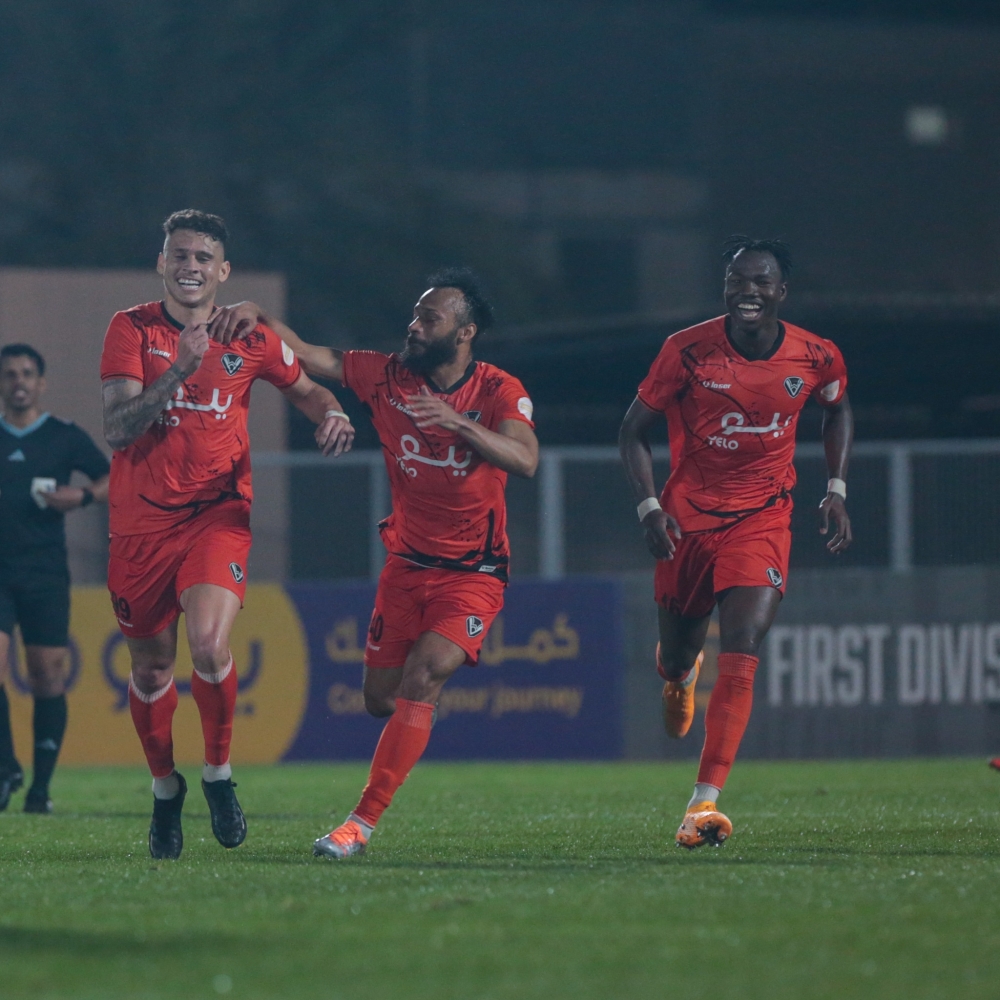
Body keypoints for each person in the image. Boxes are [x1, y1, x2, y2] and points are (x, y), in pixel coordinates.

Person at [209, 267, 538, 858]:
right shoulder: (384, 373)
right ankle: (416, 723)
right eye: (415, 314)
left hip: (474, 572)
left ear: (464, 332)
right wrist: (257, 312)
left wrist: (461, 425)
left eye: (428, 318)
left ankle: (357, 825)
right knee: (382, 700)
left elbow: (526, 458)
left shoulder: (497, 389)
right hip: (406, 565)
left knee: (424, 677)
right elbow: (307, 355)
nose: (413, 326)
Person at [100, 209, 355, 860]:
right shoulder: (130, 329)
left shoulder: (249, 333)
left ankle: (217, 774)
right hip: (140, 527)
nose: (190, 267)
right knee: (153, 666)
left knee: (209, 646)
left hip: (217, 514)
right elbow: (119, 428)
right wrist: (180, 370)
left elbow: (309, 391)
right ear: (162, 264)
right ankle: (165, 788)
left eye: (203, 258)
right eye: (179, 255)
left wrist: (333, 415)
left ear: (223, 270)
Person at [618, 237, 852, 849]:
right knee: (679, 652)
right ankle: (677, 674)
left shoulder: (816, 355)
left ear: (781, 291)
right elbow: (632, 431)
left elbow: (838, 408)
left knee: (744, 643)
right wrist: (648, 508)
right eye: (736, 281)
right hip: (686, 521)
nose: (747, 290)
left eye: (760, 281)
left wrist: (836, 487)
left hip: (764, 518)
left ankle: (703, 805)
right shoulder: (686, 350)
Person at [0, 344, 110, 813]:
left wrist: (83, 496)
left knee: (47, 677)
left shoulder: (63, 437)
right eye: (9, 375)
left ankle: (40, 790)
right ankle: (6, 768)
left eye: (26, 373)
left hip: (45, 573)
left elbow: (115, 476)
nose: (18, 381)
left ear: (41, 383)